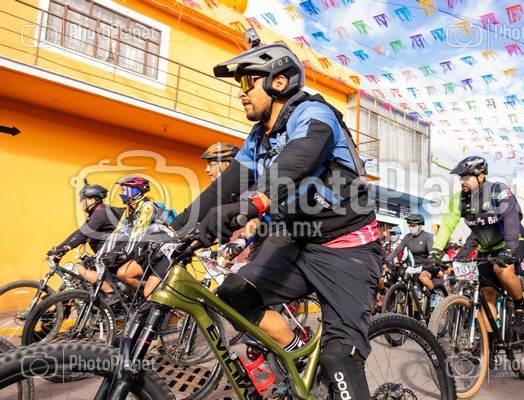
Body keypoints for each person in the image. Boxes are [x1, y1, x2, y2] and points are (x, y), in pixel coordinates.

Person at [170, 40, 382, 399]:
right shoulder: (258, 138)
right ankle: (299, 354)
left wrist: (255, 201)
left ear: (278, 82)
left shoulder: (314, 114)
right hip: (294, 240)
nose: (241, 93)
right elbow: (222, 190)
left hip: (345, 246)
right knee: (233, 296)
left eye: (247, 82)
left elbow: (300, 156)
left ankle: (332, 363)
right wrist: (171, 230)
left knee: (338, 358)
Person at [425, 155, 524, 331]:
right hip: (486, 249)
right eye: (461, 177)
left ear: (481, 176)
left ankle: (521, 307)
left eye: (466, 177)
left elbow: (511, 219)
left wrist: (510, 249)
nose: (462, 181)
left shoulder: (498, 191)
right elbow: (446, 227)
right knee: (487, 294)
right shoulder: (459, 200)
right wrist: (435, 252)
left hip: (512, 243)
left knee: (502, 270)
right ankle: (489, 341)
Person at [97, 175, 174, 299]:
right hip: (149, 249)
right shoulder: (130, 210)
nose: (120, 193)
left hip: (163, 250)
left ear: (134, 191)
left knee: (130, 277)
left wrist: (123, 253)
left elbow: (137, 234)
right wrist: (100, 255)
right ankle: (142, 299)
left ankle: (150, 298)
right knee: (122, 274)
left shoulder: (147, 207)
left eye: (123, 190)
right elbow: (117, 233)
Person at [47, 183, 123, 293]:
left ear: (92, 200)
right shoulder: (95, 213)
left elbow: (84, 234)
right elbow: (79, 233)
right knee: (83, 272)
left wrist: (64, 249)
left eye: (83, 199)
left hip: (110, 256)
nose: (80, 202)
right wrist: (58, 248)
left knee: (80, 268)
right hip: (105, 255)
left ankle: (111, 293)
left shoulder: (101, 213)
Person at [385, 214, 436, 288]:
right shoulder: (407, 237)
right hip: (414, 267)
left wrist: (431, 261)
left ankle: (433, 293)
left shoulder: (427, 236)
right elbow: (396, 250)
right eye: (409, 225)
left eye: (413, 225)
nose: (411, 227)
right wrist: (386, 260)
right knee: (401, 275)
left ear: (420, 226)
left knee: (423, 278)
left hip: (427, 266)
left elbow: (432, 252)